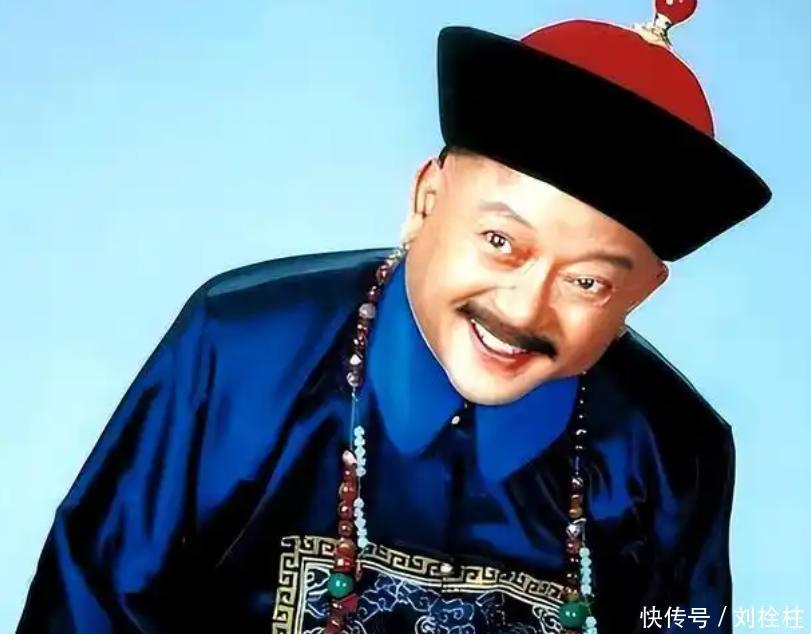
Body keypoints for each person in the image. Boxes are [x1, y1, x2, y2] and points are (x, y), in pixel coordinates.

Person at [18, 1, 771, 633]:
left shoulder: (671, 449)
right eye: (500, 242)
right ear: (425, 200)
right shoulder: (242, 350)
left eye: (586, 282)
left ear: (641, 294)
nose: (522, 308)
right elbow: (91, 605)